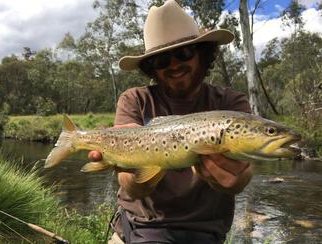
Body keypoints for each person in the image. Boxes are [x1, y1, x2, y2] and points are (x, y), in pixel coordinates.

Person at [89, 0, 253, 243]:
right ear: (151, 68)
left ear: (202, 54)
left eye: (183, 53)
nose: (174, 65)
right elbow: (129, 185)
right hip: (139, 226)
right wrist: (135, 170)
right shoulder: (135, 100)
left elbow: (244, 171)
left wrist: (235, 180)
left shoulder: (230, 104)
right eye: (162, 60)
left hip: (206, 233)